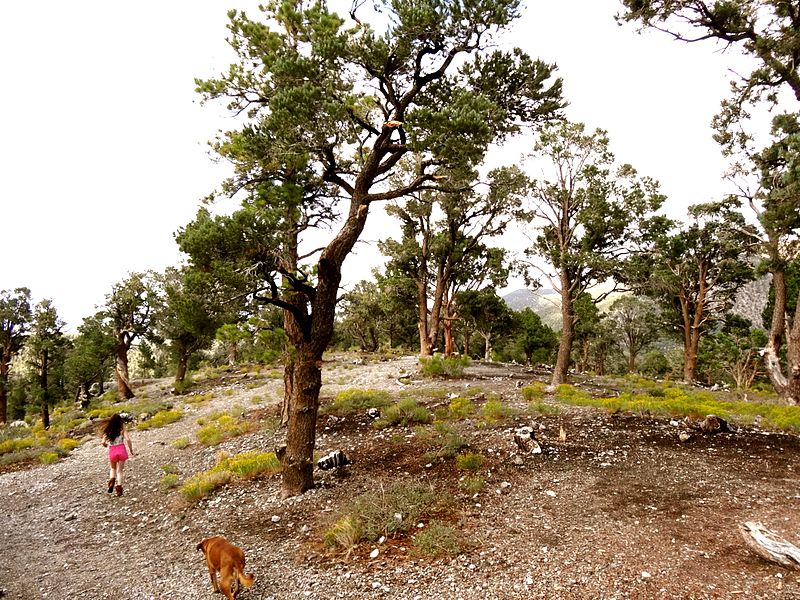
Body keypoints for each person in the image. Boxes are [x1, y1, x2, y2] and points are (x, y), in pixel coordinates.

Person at [101, 413, 135, 496]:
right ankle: (119, 488)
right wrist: (131, 450)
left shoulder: (108, 429)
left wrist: (105, 445)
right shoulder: (122, 428)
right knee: (120, 471)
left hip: (112, 450)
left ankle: (112, 480)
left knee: (113, 468)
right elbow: (128, 439)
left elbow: (103, 442)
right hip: (121, 450)